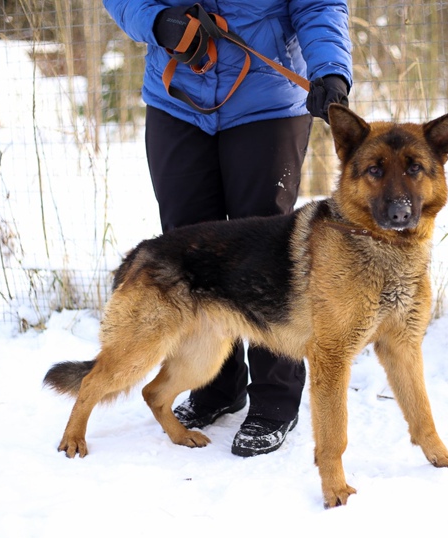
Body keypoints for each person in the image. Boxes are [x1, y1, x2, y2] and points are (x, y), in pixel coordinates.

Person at [102, 0, 352, 457]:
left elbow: (318, 4)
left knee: (270, 253)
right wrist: (155, 20)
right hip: (176, 99)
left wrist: (330, 68)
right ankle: (216, 386)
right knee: (190, 248)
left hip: (267, 100)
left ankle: (276, 400)